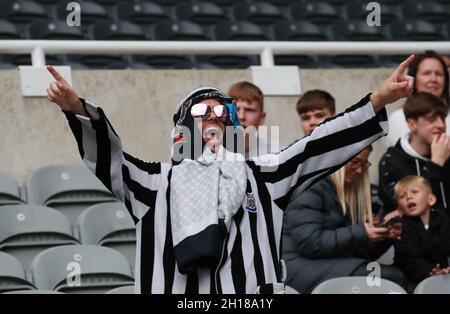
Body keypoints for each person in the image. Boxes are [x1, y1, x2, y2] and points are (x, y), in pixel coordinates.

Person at [45, 55, 414, 294]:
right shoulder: (153, 184)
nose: (215, 120)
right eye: (203, 114)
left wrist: (378, 100)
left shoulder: (265, 176)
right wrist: (77, 109)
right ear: (181, 131)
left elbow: (317, 145)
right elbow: (109, 158)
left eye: (224, 115)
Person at [283, 146, 405, 294]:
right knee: (390, 278)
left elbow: (359, 255)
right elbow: (310, 242)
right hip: (296, 266)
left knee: (395, 276)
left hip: (321, 263)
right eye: (355, 162)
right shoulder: (309, 186)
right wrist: (362, 232)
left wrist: (383, 236)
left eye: (363, 164)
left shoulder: (343, 190)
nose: (360, 171)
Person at [379, 92, 450, 214]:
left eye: (442, 118)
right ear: (412, 125)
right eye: (432, 119)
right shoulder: (391, 162)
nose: (441, 125)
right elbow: (406, 209)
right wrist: (436, 164)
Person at [393, 176, 450, 286]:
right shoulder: (401, 226)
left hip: (440, 273)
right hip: (409, 277)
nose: (408, 197)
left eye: (414, 192)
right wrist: (430, 272)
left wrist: (439, 272)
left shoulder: (442, 219)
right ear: (400, 208)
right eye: (402, 196)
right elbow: (410, 259)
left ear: (431, 199)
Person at [387, 50, 450, 146]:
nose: (433, 79)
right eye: (426, 73)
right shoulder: (398, 118)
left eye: (438, 74)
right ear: (413, 79)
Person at [227, 81, 274, 157]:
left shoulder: (276, 155)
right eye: (235, 109)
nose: (241, 116)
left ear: (262, 118)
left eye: (249, 110)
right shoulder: (209, 154)